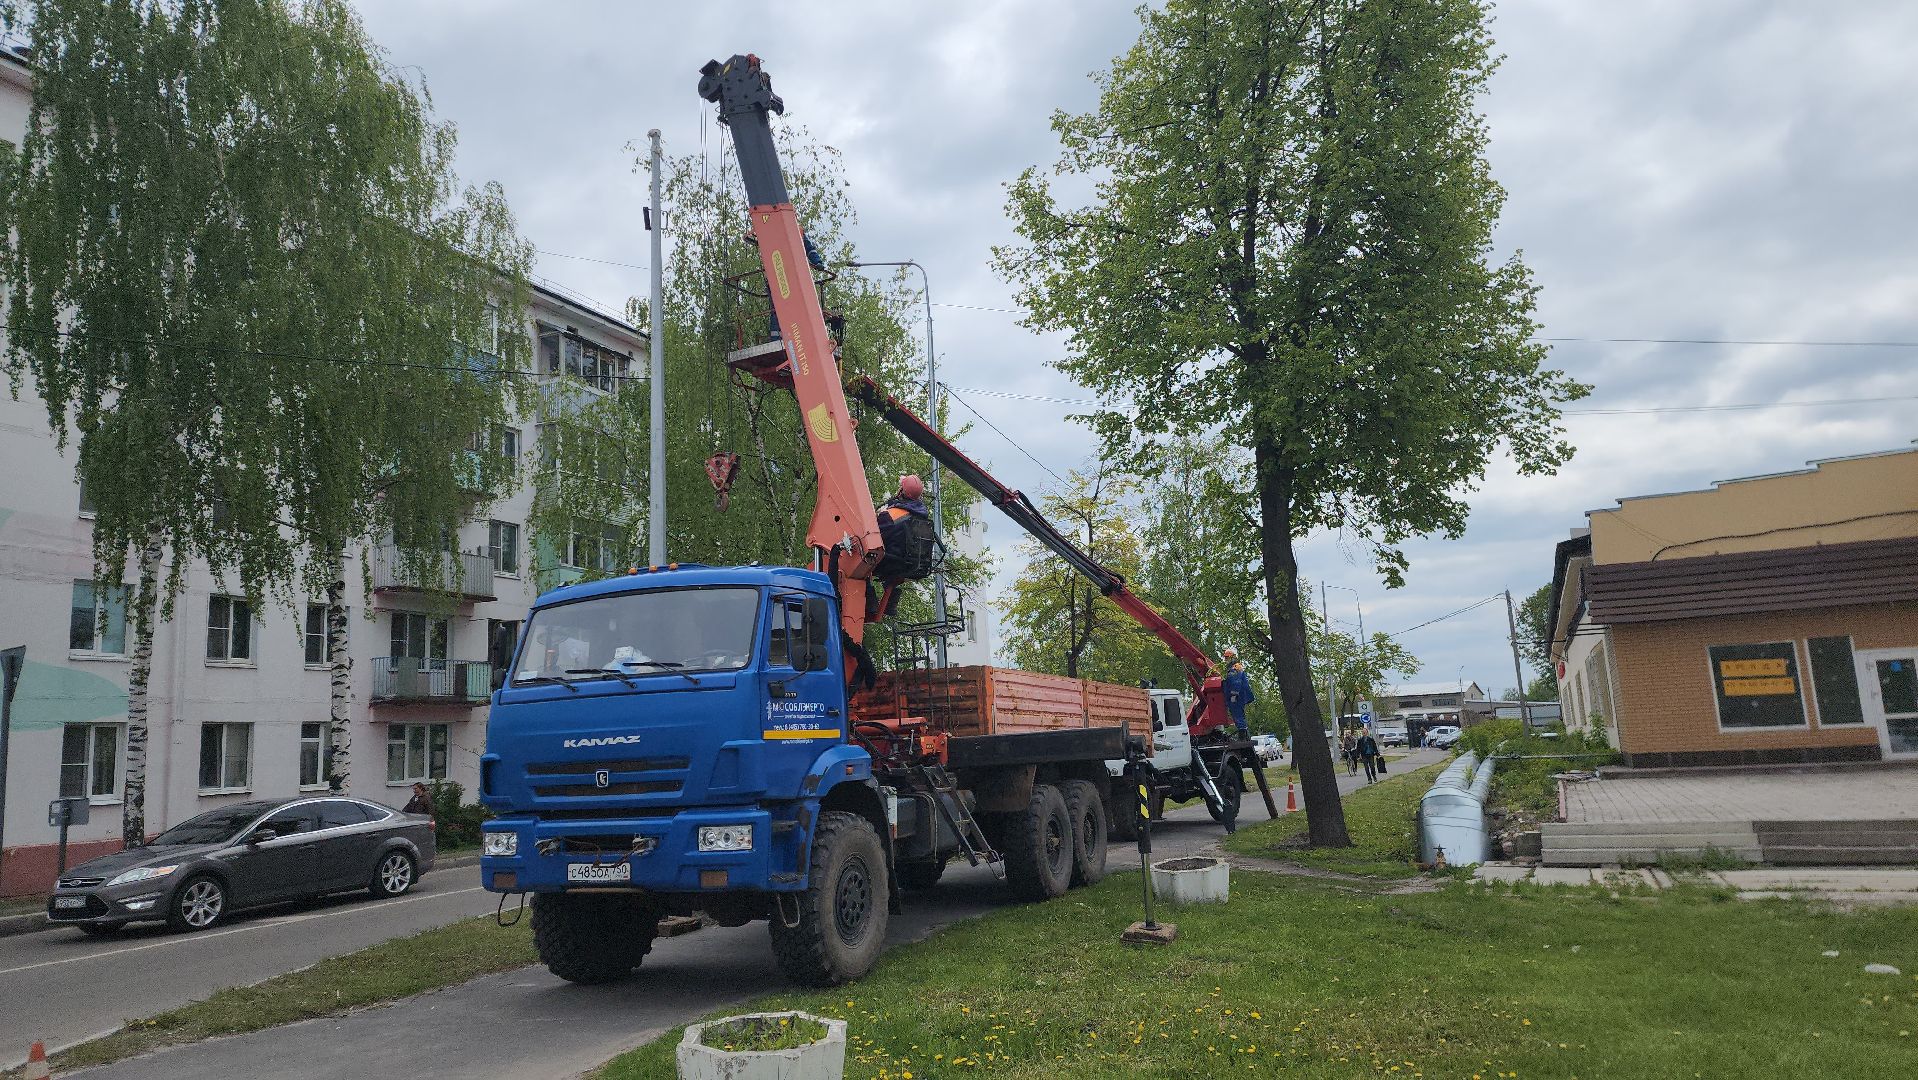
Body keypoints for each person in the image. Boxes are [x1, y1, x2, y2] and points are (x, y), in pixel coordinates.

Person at [1220, 647, 1254, 738]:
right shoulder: (1235, 668)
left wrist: (1234, 695)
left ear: (1231, 658)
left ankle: (1243, 736)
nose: (1225, 659)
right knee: (1239, 715)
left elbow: (1235, 683)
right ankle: (1244, 735)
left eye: (1227, 657)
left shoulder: (1235, 668)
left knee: (1238, 714)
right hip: (1238, 696)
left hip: (1237, 697)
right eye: (1225, 658)